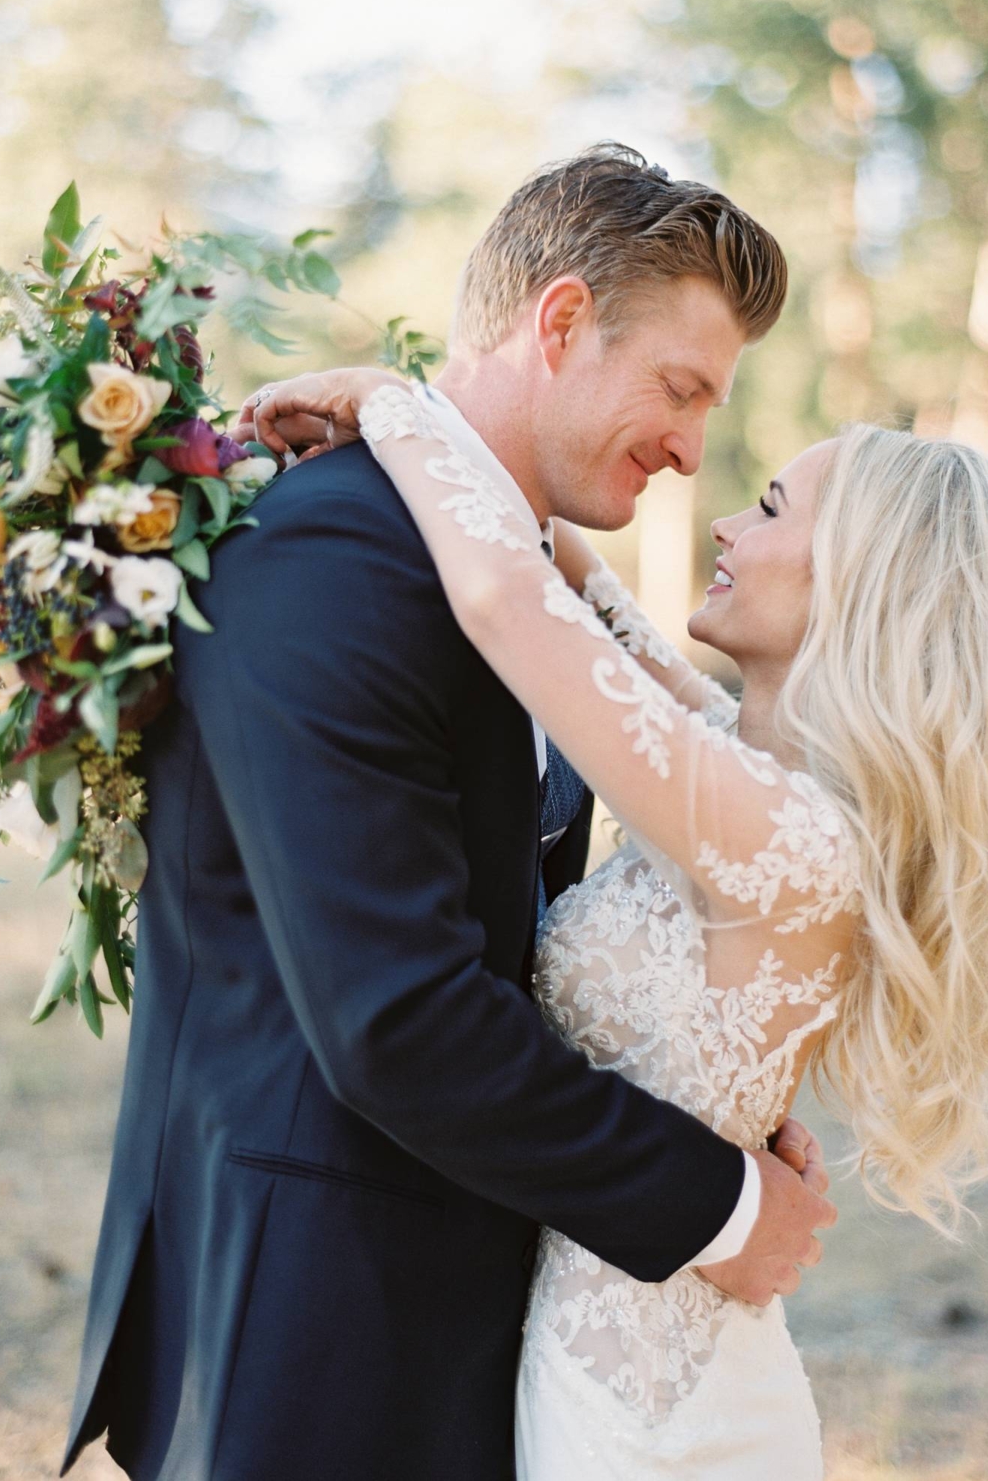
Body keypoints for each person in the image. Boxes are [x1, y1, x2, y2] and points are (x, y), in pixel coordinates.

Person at [62, 145, 837, 1481]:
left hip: (476, 1312)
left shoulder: (518, 581)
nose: (693, 448)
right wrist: (715, 1201)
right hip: (309, 1321)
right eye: (679, 386)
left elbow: (511, 924)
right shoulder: (337, 550)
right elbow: (397, 1016)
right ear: (561, 322)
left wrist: (700, 1072)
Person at [242, 364, 988, 1480]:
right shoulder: (749, 765)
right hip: (606, 1355)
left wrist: (397, 402)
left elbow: (511, 606)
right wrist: (500, 436)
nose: (729, 520)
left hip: (650, 1420)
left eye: (774, 508)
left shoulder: (778, 830)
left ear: (862, 582)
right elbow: (592, 605)